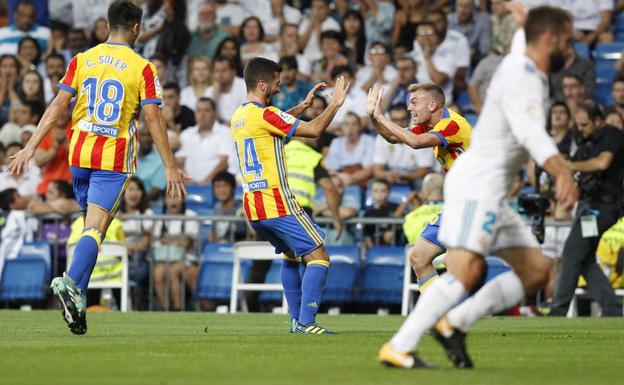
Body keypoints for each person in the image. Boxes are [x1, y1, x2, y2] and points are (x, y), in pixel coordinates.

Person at [377, 6, 578, 368]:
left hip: (492, 191)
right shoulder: (524, 77)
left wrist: (521, 17)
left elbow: (523, 37)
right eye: (567, 39)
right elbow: (530, 132)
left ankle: (453, 323)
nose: (572, 47)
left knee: (536, 272)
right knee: (466, 270)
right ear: (549, 39)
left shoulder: (524, 61)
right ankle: (401, 345)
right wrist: (562, 171)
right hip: (476, 185)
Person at [7, 0, 188, 335]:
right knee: (95, 229)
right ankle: (70, 282)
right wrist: (170, 165)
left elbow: (59, 104)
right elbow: (152, 116)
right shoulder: (142, 67)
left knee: (93, 227)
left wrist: (30, 147)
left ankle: (78, 301)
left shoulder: (81, 59)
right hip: (113, 160)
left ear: (106, 25)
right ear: (136, 28)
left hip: (79, 157)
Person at [230, 57, 348, 334]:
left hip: (253, 207)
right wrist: (335, 104)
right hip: (277, 201)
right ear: (262, 84)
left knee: (292, 256)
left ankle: (296, 322)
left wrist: (302, 107)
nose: (279, 88)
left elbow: (271, 125)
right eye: (276, 83)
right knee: (319, 255)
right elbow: (315, 130)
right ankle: (307, 322)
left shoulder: (240, 116)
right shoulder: (265, 114)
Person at [368, 82, 471, 297]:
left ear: (433, 104)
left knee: (457, 264)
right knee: (419, 257)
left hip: (475, 202)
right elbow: (393, 137)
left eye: (414, 102)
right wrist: (373, 116)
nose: (409, 108)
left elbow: (414, 142)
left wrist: (381, 114)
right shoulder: (429, 126)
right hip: (457, 204)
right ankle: (438, 317)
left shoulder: (452, 125)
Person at [550, 103, 624, 316]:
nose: (579, 128)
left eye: (584, 124)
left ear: (598, 121)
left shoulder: (613, 136)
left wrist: (570, 166)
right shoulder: (586, 139)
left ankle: (558, 310)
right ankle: (612, 308)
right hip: (589, 205)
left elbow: (602, 163)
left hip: (603, 206)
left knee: (572, 253)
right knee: (585, 258)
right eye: (578, 124)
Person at [153, 194, 199, 311]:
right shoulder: (161, 219)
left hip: (186, 257)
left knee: (173, 271)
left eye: (176, 197)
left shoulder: (190, 215)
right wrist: (176, 241)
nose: (173, 200)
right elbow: (158, 241)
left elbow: (188, 242)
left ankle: (178, 309)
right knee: (158, 273)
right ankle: (166, 308)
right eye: (169, 197)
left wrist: (167, 241)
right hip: (165, 257)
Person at [372, 103, 434, 187]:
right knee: (374, 184)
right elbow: (377, 170)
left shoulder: (421, 135)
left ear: (409, 119)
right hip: (391, 175)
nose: (399, 123)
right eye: (395, 120)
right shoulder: (382, 138)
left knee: (426, 182)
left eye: (403, 119)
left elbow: (425, 169)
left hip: (414, 178)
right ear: (390, 120)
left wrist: (406, 177)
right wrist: (386, 175)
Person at [176, 97, 232, 185]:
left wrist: (205, 183)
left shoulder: (225, 132)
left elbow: (224, 162)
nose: (202, 114)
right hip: (188, 185)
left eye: (207, 110)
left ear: (214, 113)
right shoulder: (186, 134)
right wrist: (189, 181)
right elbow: (178, 162)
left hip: (214, 186)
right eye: (199, 110)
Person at [325, 112, 374, 187]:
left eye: (354, 124)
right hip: (340, 179)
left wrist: (351, 178)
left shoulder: (369, 141)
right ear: (342, 127)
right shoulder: (336, 142)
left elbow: (369, 170)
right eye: (346, 124)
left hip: (363, 181)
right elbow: (331, 168)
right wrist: (340, 177)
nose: (350, 127)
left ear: (360, 126)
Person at [34, 107, 71, 197]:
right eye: (56, 110)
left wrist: (64, 142)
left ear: (70, 111)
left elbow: (81, 157)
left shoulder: (78, 128)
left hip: (71, 187)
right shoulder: (45, 131)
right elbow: (39, 161)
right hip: (48, 187)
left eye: (64, 110)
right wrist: (55, 147)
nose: (60, 114)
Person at [206, 56, 247, 124]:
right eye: (217, 71)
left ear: (233, 72)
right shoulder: (210, 91)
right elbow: (207, 118)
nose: (220, 75)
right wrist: (215, 96)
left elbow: (248, 113)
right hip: (219, 131)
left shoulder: (244, 86)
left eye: (224, 70)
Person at [448, 0, 491, 65]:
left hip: (474, 60)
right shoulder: (449, 19)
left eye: (467, 6)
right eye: (460, 6)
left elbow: (484, 49)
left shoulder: (483, 20)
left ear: (474, 7)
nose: (462, 10)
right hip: (452, 58)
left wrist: (474, 52)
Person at [209, 171, 246, 243]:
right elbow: (213, 232)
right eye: (218, 186)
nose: (221, 190)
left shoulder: (241, 207)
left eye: (225, 186)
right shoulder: (216, 207)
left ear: (233, 187)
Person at [0, 188, 30, 276]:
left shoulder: (18, 215)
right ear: (11, 204)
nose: (23, 198)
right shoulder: (14, 216)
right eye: (18, 196)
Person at [363, 179, 400, 248]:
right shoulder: (368, 212)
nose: (379, 194)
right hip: (374, 247)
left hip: (393, 246)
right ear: (371, 193)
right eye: (376, 191)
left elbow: (401, 221)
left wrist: (392, 230)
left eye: (383, 191)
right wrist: (370, 246)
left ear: (389, 192)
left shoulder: (396, 208)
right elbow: (366, 233)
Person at [136, 128, 166, 204]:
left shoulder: (161, 160)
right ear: (137, 137)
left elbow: (156, 190)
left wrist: (136, 202)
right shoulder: (130, 155)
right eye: (143, 135)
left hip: (151, 207)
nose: (146, 138)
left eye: (149, 135)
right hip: (127, 205)